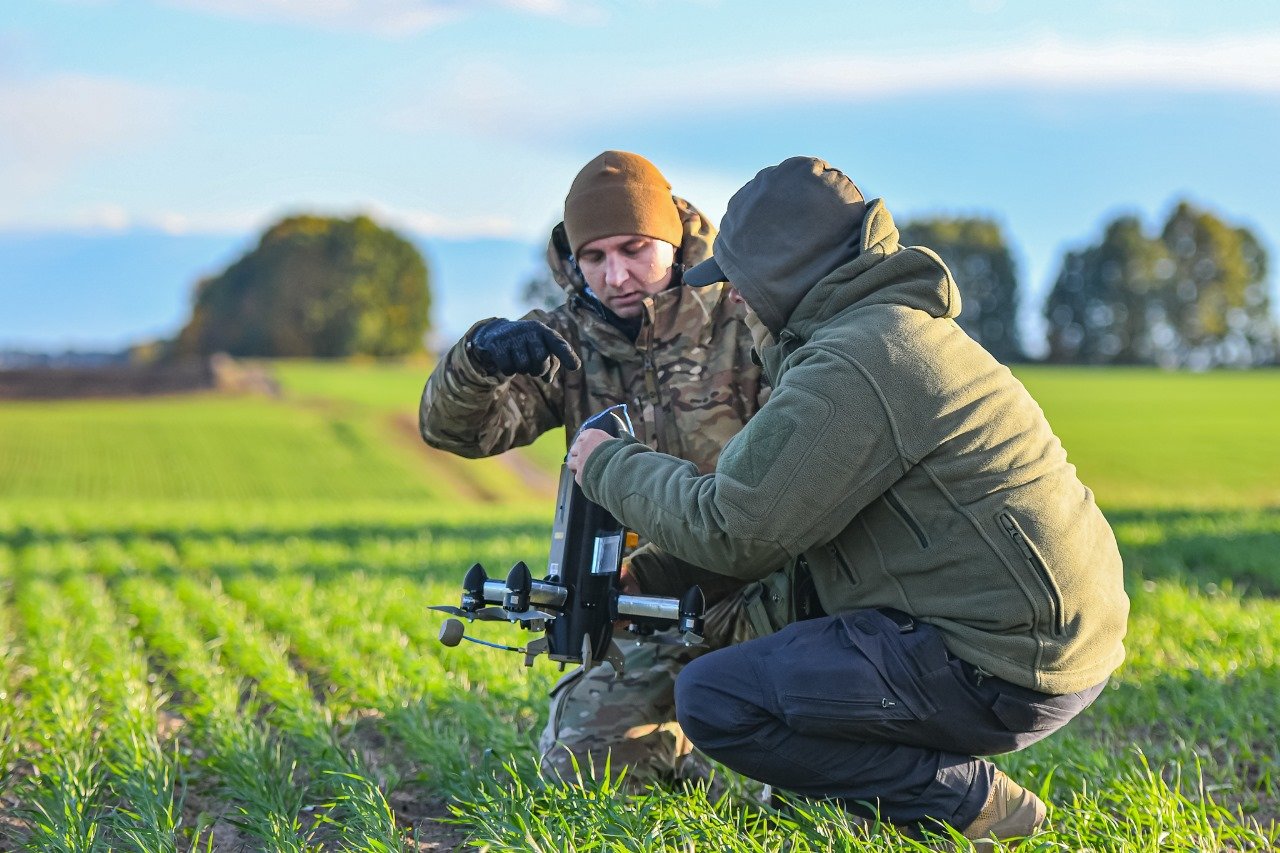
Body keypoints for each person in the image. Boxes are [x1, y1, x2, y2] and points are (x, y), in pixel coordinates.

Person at [567, 156, 1129, 845]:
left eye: (741, 282)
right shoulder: (877, 334)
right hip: (1036, 640)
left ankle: (966, 800)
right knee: (777, 653)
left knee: (716, 698)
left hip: (1006, 664)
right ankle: (865, 794)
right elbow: (785, 521)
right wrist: (654, 575)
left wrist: (608, 463)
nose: (734, 300)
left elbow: (733, 527)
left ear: (782, 273)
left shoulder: (860, 360)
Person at [419, 150, 765, 787]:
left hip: (768, 591)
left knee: (813, 763)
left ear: (673, 241)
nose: (617, 275)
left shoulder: (744, 315)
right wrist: (477, 360)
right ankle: (682, 754)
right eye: (595, 257)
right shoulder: (562, 342)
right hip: (642, 601)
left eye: (634, 249)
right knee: (580, 768)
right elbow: (456, 432)